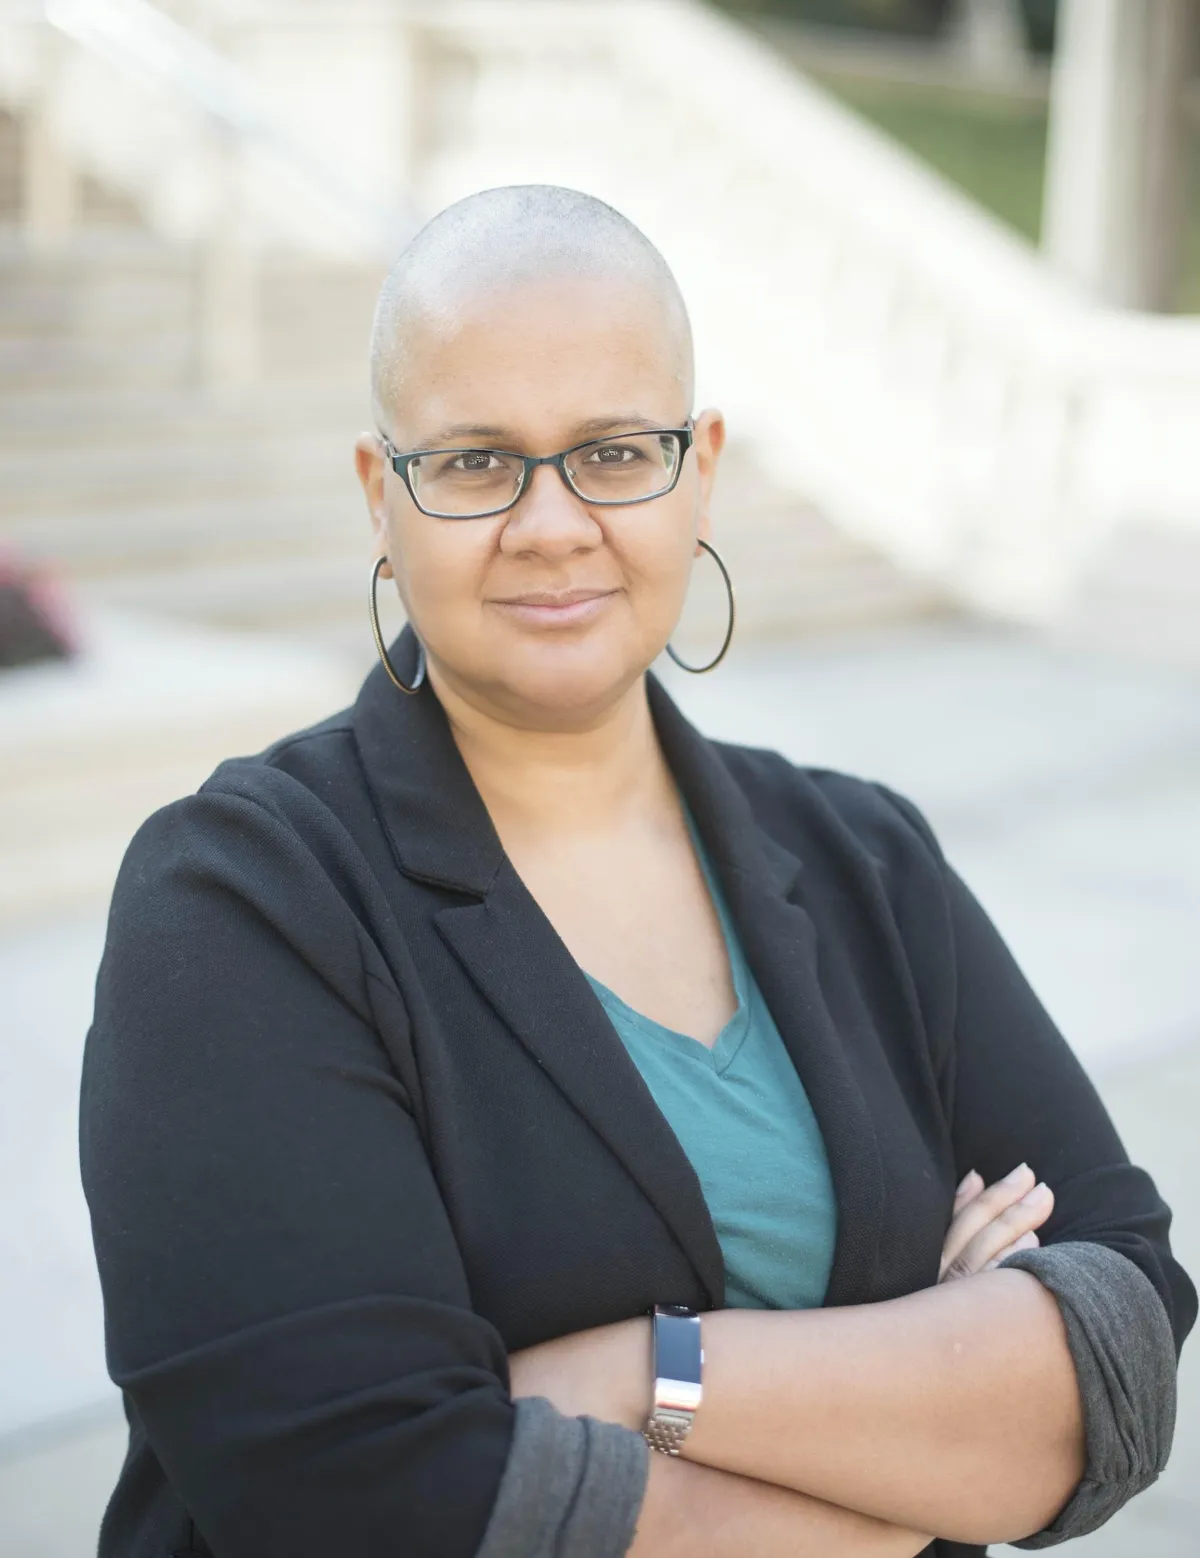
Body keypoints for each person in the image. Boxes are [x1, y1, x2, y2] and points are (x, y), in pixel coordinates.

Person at [80, 185, 1194, 1558]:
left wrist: (638, 1379)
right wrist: (931, 1417)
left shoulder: (866, 861)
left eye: (614, 451)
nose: (551, 521)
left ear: (700, 465)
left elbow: (1128, 1354)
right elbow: (359, 1492)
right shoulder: (244, 902)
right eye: (477, 461)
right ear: (384, 495)